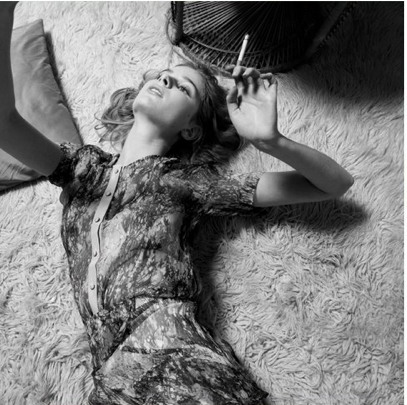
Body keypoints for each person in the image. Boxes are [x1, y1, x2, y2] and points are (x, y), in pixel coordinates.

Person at [0, 3, 354, 405]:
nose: (165, 78)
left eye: (183, 88)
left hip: (180, 361)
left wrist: (270, 140)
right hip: (112, 380)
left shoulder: (187, 182)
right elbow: (4, 123)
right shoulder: (82, 168)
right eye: (161, 75)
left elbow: (334, 184)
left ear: (191, 129)